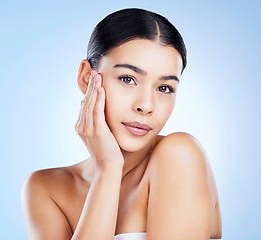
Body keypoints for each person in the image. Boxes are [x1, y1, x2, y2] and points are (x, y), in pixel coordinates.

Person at [21, 8, 222, 240]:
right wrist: (108, 170)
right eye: (128, 79)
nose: (146, 106)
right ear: (87, 78)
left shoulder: (179, 155)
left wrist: (107, 168)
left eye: (164, 88)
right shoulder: (45, 189)